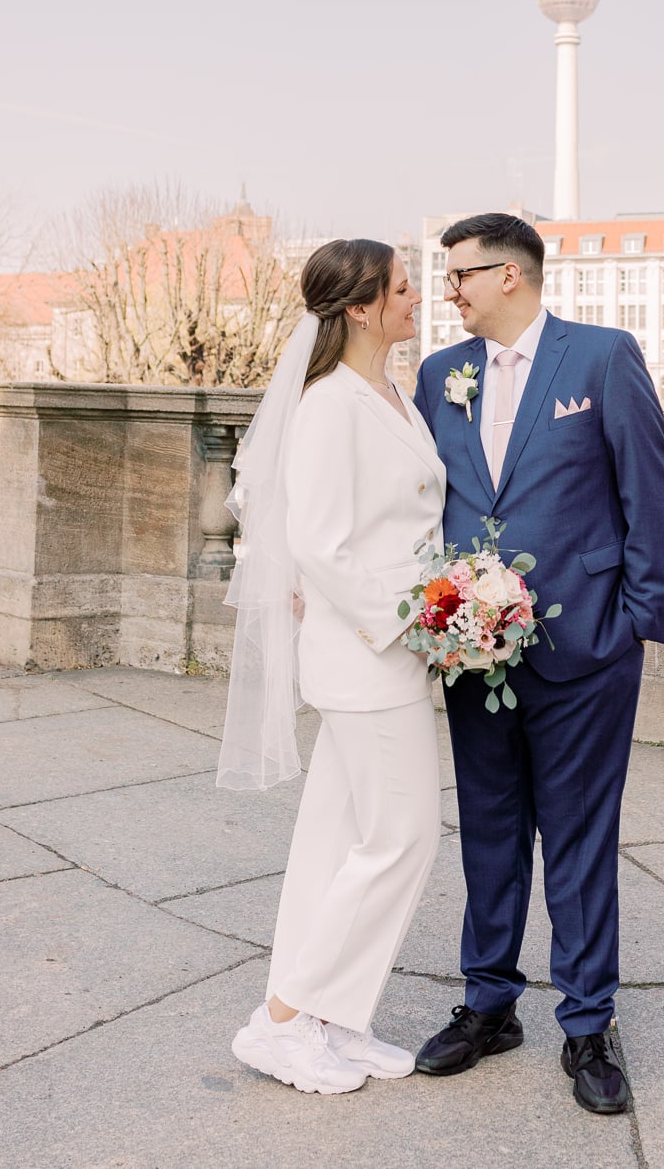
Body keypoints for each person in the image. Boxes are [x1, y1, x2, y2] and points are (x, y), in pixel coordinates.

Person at [412, 214, 664, 1116]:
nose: (450, 291)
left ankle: (588, 1022)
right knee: (488, 829)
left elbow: (649, 488)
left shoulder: (602, 358)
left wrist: (636, 621)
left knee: (576, 836)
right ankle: (488, 1003)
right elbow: (424, 497)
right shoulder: (437, 378)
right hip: (470, 652)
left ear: (512, 277)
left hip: (586, 648)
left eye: (461, 276)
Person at [217, 239, 445, 1096]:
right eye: (400, 285)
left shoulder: (393, 392)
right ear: (358, 306)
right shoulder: (328, 405)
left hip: (385, 652)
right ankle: (281, 1021)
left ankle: (329, 1021)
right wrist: (417, 617)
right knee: (402, 837)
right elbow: (318, 541)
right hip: (365, 657)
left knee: (335, 843)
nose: (415, 294)